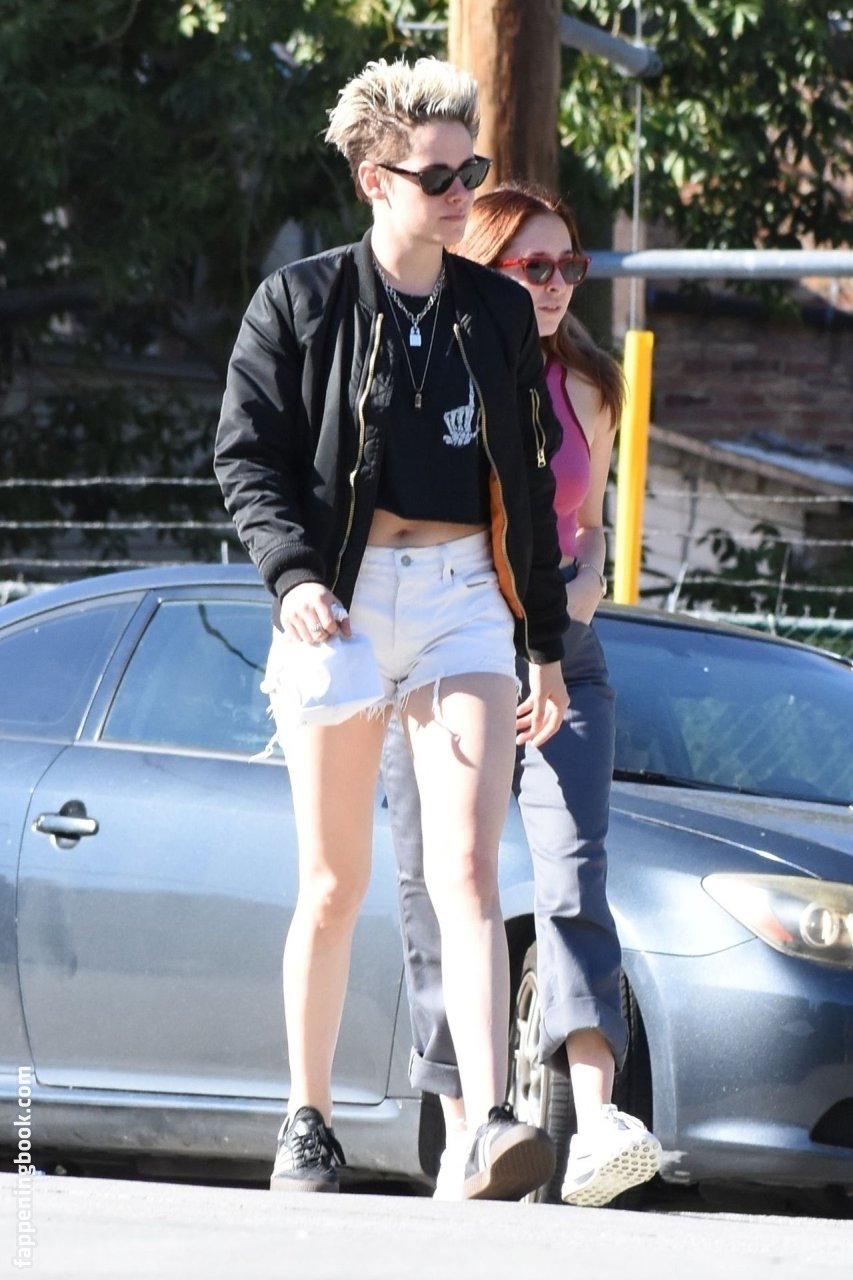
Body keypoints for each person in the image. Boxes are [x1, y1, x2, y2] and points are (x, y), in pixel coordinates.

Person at [214, 63, 570, 1199]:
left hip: (463, 594)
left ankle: (487, 1121)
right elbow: (246, 457)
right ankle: (306, 1117)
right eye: (438, 176)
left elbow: (527, 483)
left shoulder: (496, 312)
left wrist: (545, 643)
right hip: (342, 602)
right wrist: (290, 577)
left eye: (471, 170)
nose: (463, 192)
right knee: (335, 881)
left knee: (467, 868)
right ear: (375, 180)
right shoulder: (300, 301)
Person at [381, 182, 662, 1206]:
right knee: (439, 885)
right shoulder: (437, 370)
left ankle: (594, 1120)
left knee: (573, 871)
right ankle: (466, 1123)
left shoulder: (589, 384)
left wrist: (577, 593)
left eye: (568, 267)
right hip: (447, 652)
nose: (554, 285)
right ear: (485, 268)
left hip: (562, 657)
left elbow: (584, 530)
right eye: (532, 266)